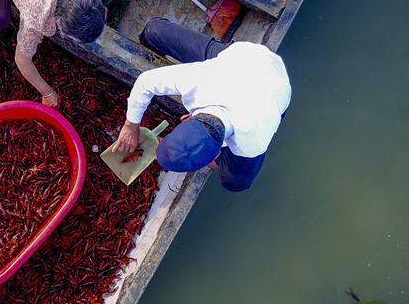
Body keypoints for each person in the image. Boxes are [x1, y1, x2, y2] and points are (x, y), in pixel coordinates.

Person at [115, 18, 291, 192]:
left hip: (274, 92)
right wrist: (131, 125)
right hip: (243, 60)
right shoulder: (200, 78)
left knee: (236, 182)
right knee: (153, 30)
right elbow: (146, 81)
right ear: (188, 119)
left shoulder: (253, 143)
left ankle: (212, 157)